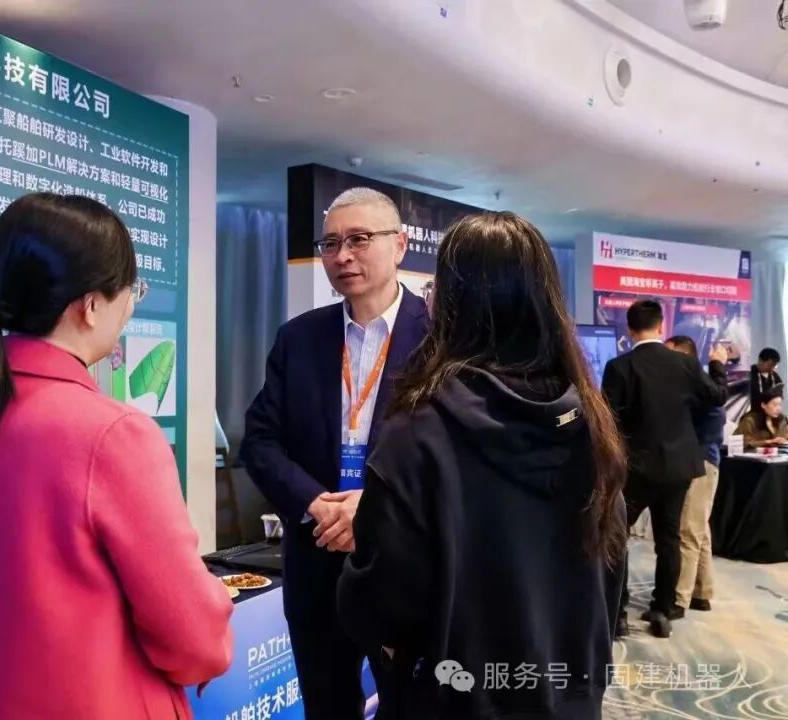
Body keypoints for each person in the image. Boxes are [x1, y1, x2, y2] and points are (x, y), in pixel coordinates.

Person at [0, 193, 233, 719]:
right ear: (91, 305)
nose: (131, 307)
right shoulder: (113, 435)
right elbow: (193, 637)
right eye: (131, 291)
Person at [336, 212, 626, 719]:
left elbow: (380, 601)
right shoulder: (590, 423)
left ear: (451, 303)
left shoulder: (417, 431)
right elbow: (610, 575)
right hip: (568, 694)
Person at [242, 187, 429, 720]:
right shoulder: (299, 338)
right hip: (316, 557)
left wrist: (376, 507)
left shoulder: (442, 339)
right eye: (330, 243)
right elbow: (260, 440)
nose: (343, 255)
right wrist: (314, 503)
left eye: (359, 239)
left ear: (400, 245)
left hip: (404, 565)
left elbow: (456, 459)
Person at [602, 301, 728, 639]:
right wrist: (718, 365)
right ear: (661, 326)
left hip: (635, 469)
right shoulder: (685, 364)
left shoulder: (619, 367)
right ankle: (662, 610)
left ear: (630, 330)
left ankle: (618, 614)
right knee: (669, 540)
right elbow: (717, 396)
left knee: (617, 538)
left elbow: (607, 421)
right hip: (677, 468)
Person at [664, 335, 725, 614]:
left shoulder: (702, 386)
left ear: (684, 355)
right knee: (700, 530)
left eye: (670, 354)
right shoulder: (698, 384)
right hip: (702, 462)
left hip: (701, 464)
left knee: (688, 531)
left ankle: (679, 599)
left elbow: (713, 419)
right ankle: (702, 592)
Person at [735, 386, 788, 450]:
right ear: (763, 405)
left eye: (780, 405)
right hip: (752, 455)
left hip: (778, 454)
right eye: (775, 405)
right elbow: (742, 443)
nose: (778, 409)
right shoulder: (750, 421)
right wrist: (769, 442)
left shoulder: (782, 420)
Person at [749, 347, 782, 412]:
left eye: (774, 365)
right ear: (760, 360)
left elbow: (780, 396)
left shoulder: (775, 377)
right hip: (752, 412)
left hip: (771, 412)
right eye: (770, 365)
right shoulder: (748, 374)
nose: (772, 368)